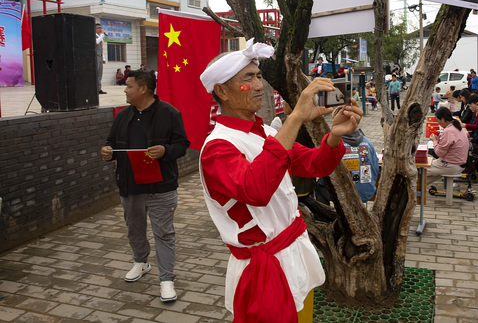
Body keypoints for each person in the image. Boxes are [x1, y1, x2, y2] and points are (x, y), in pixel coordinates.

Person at [197, 39, 363, 321]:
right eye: (248, 77)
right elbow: (256, 189)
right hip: (265, 269)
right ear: (222, 91)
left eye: (259, 76)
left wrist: (335, 135)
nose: (260, 85)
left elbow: (314, 164)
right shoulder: (217, 147)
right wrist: (296, 117)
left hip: (295, 253)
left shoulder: (264, 132)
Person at [100, 70, 189, 302]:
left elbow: (182, 144)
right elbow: (111, 142)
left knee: (164, 232)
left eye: (129, 86)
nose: (125, 90)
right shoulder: (122, 115)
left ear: (143, 89)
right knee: (134, 228)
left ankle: (167, 279)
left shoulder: (169, 113)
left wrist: (165, 151)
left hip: (161, 185)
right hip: (130, 184)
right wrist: (107, 152)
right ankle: (141, 262)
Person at [317, 126, 379, 204]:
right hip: (366, 193)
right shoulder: (368, 142)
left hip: (341, 195)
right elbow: (375, 169)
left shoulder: (333, 144)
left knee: (318, 187)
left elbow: (323, 175)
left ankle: (325, 215)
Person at [426, 107, 469, 189]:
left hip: (450, 165)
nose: (438, 123)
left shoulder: (448, 131)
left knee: (418, 169)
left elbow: (439, 153)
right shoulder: (457, 127)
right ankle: (415, 190)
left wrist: (435, 141)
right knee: (426, 178)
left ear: (442, 119)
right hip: (459, 163)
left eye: (438, 121)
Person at [96, 23, 107, 94]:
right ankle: (95, 88)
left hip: (100, 56)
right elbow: (96, 42)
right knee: (96, 72)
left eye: (100, 27)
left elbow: (101, 48)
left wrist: (103, 58)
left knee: (100, 73)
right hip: (95, 56)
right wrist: (102, 35)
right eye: (98, 28)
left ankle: (99, 89)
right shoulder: (94, 35)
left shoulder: (100, 37)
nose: (100, 29)